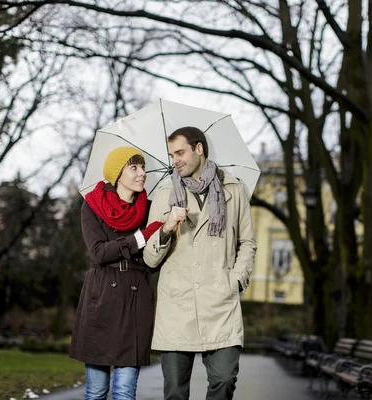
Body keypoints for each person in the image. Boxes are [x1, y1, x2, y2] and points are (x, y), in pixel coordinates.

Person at [143, 126, 256, 400]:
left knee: (225, 380)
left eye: (180, 152)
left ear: (199, 149)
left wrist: (236, 279)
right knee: (175, 393)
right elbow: (149, 258)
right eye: (171, 155)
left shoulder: (233, 189)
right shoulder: (164, 195)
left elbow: (247, 242)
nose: (175, 160)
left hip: (220, 302)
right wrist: (167, 227)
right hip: (177, 303)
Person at [69, 146, 164, 400]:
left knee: (125, 392)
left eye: (142, 167)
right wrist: (142, 236)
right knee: (97, 390)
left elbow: (153, 263)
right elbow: (99, 253)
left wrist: (163, 234)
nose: (142, 173)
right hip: (101, 297)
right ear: (117, 174)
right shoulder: (92, 206)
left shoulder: (151, 209)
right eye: (134, 168)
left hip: (136, 298)